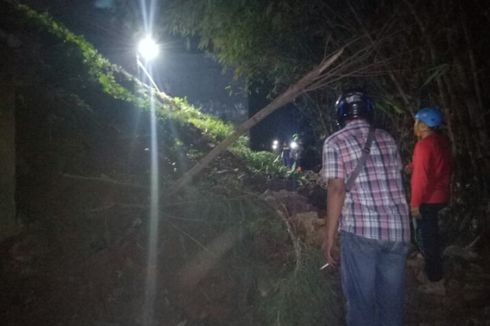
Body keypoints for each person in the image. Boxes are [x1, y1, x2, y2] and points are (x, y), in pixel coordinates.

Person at [321, 90, 410, 326]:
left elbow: (337, 190)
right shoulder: (387, 138)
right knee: (391, 304)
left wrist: (329, 238)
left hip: (361, 232)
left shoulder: (335, 142)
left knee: (361, 303)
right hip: (397, 231)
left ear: (341, 113)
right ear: (369, 110)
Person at [408, 107, 452, 294]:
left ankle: (435, 280)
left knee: (429, 240)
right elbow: (436, 165)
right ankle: (429, 266)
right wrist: (410, 166)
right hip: (440, 195)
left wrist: (415, 203)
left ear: (423, 124)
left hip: (428, 199)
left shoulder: (423, 146)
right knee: (432, 236)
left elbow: (421, 178)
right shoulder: (439, 141)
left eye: (417, 121)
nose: (414, 125)